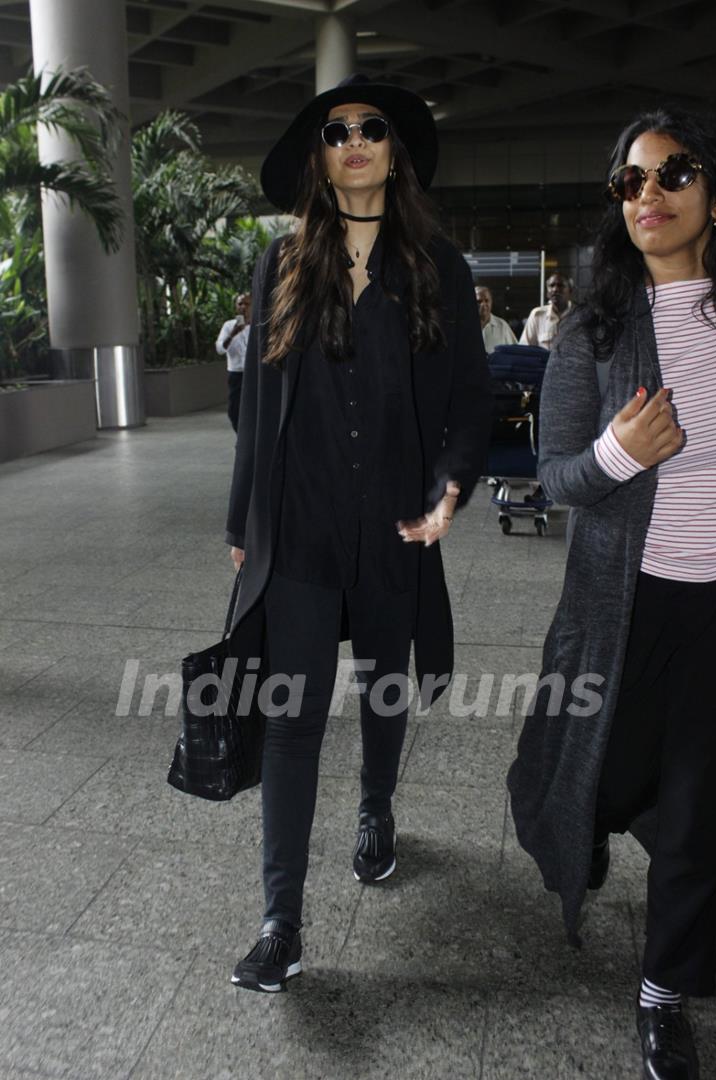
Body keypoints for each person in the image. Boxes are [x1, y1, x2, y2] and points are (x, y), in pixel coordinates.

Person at [224, 74, 492, 994]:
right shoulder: (283, 261)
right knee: (294, 722)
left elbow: (467, 402)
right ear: (320, 155)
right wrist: (241, 520)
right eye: (337, 131)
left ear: (394, 151)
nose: (355, 142)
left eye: (372, 129)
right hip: (298, 528)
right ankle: (280, 921)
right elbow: (259, 404)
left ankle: (376, 809)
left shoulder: (438, 268)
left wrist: (451, 488)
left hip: (394, 527)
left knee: (382, 688)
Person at [507, 106, 716, 1080]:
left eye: (673, 173)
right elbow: (551, 477)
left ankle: (663, 990)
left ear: (713, 192)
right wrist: (615, 454)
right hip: (622, 614)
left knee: (699, 813)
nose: (651, 195)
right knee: (605, 775)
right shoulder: (596, 326)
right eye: (629, 181)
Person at [216, 292, 252, 431]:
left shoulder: (259, 326)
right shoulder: (228, 326)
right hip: (236, 375)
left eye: (247, 304)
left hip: (254, 374)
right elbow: (219, 349)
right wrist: (233, 334)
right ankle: (241, 440)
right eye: (240, 304)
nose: (243, 307)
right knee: (234, 411)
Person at [520, 273, 573, 349]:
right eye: (551, 286)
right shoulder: (537, 315)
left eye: (560, 285)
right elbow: (524, 349)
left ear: (570, 290)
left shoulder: (580, 316)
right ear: (547, 292)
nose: (555, 289)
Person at [475, 284, 517, 352]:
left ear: (491, 302)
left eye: (486, 300)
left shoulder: (502, 325)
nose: (483, 304)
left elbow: (514, 352)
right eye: (479, 301)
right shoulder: (464, 326)